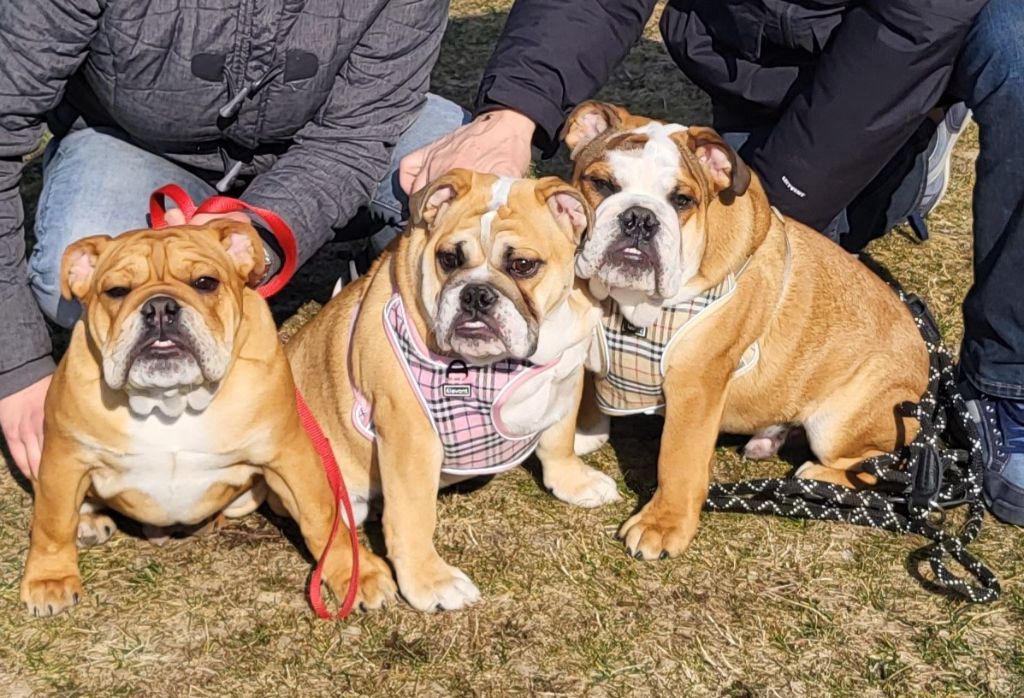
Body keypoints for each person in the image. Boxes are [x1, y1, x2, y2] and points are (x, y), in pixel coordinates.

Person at [401, 0, 1024, 524]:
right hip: (745, 81)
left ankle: (1003, 378)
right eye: (606, 189)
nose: (634, 216)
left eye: (671, 203)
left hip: (883, 91)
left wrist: (769, 208)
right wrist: (518, 110)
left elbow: (911, 26)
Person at [0, 0, 466, 481]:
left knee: (472, 187)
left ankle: (373, 275)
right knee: (76, 277)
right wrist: (17, 370)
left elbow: (354, 136)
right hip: (135, 144)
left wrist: (255, 236)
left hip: (336, 144)